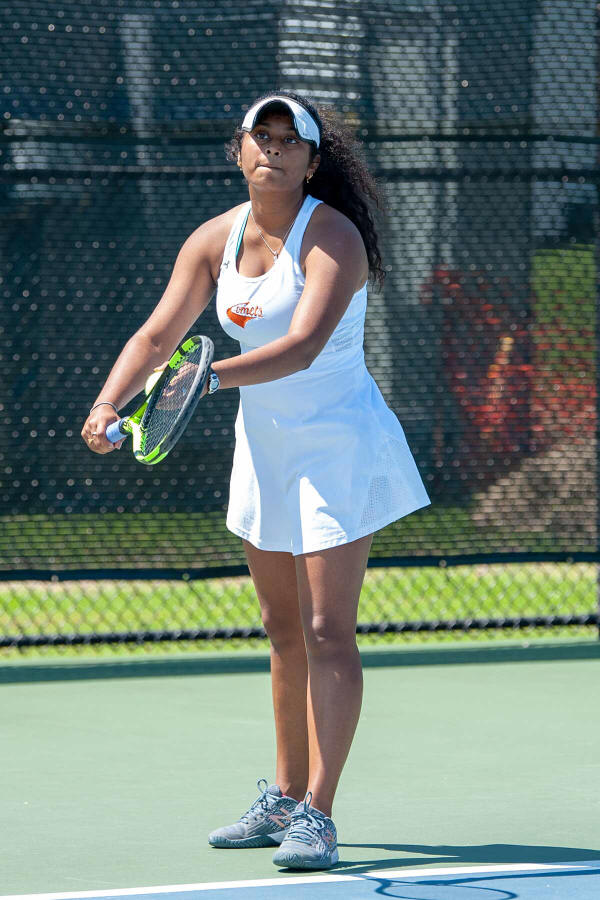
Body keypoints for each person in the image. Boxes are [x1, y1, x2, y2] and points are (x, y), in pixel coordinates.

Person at [81, 90, 430, 870]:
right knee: (281, 631)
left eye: (288, 139)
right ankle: (284, 795)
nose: (272, 149)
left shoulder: (333, 236)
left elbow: (303, 348)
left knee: (328, 631)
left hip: (338, 447)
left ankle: (319, 814)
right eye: (260, 136)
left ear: (311, 160)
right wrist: (108, 403)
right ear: (239, 150)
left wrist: (205, 378)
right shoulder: (214, 239)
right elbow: (157, 335)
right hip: (265, 449)